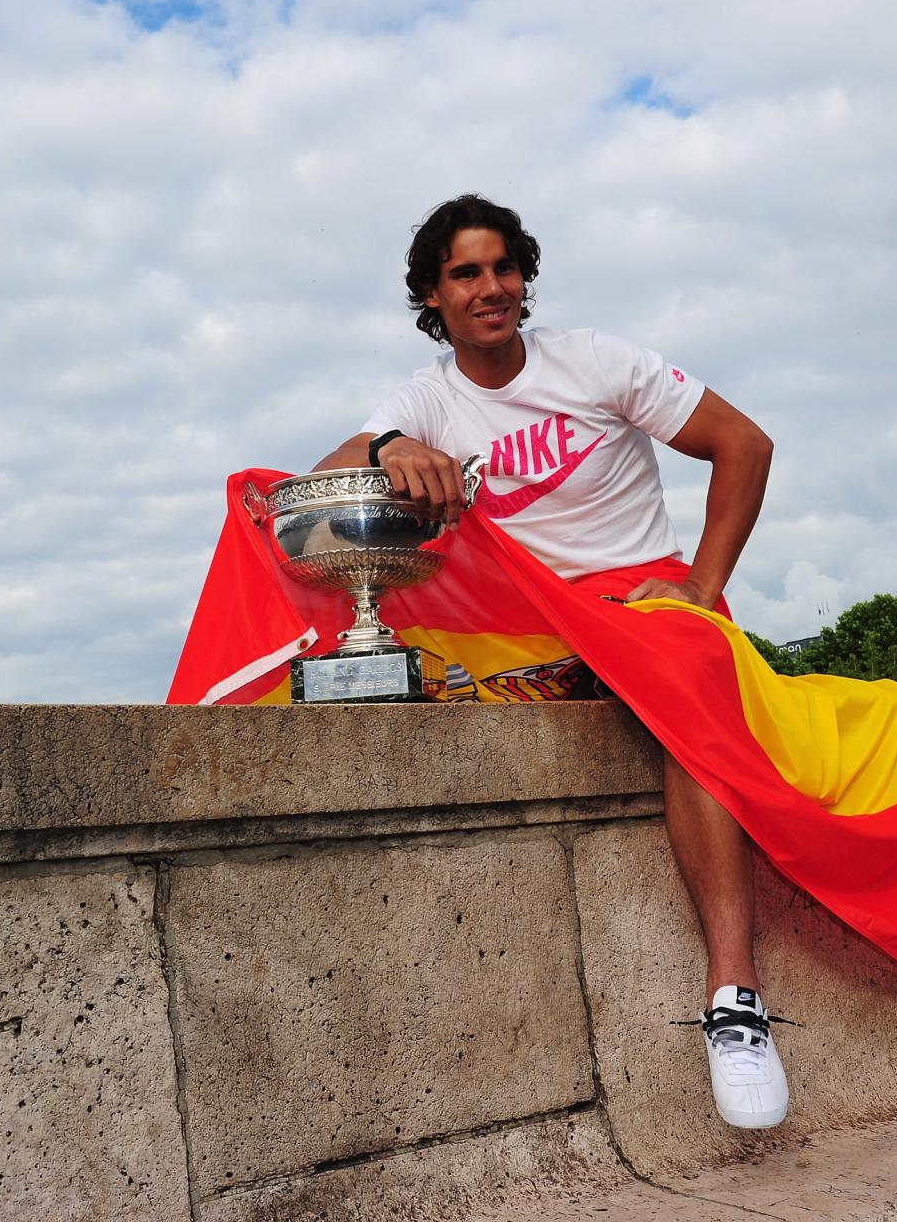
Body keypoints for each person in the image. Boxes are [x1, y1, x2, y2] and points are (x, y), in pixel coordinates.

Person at [314, 193, 787, 1129]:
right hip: (526, 624)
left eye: (503, 268)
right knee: (364, 686)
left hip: (637, 599)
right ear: (431, 296)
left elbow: (745, 444)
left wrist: (699, 584)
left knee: (688, 688)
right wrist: (388, 445)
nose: (491, 289)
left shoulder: (598, 361)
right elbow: (326, 477)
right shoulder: (426, 398)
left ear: (523, 277)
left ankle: (736, 1001)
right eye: (465, 274)